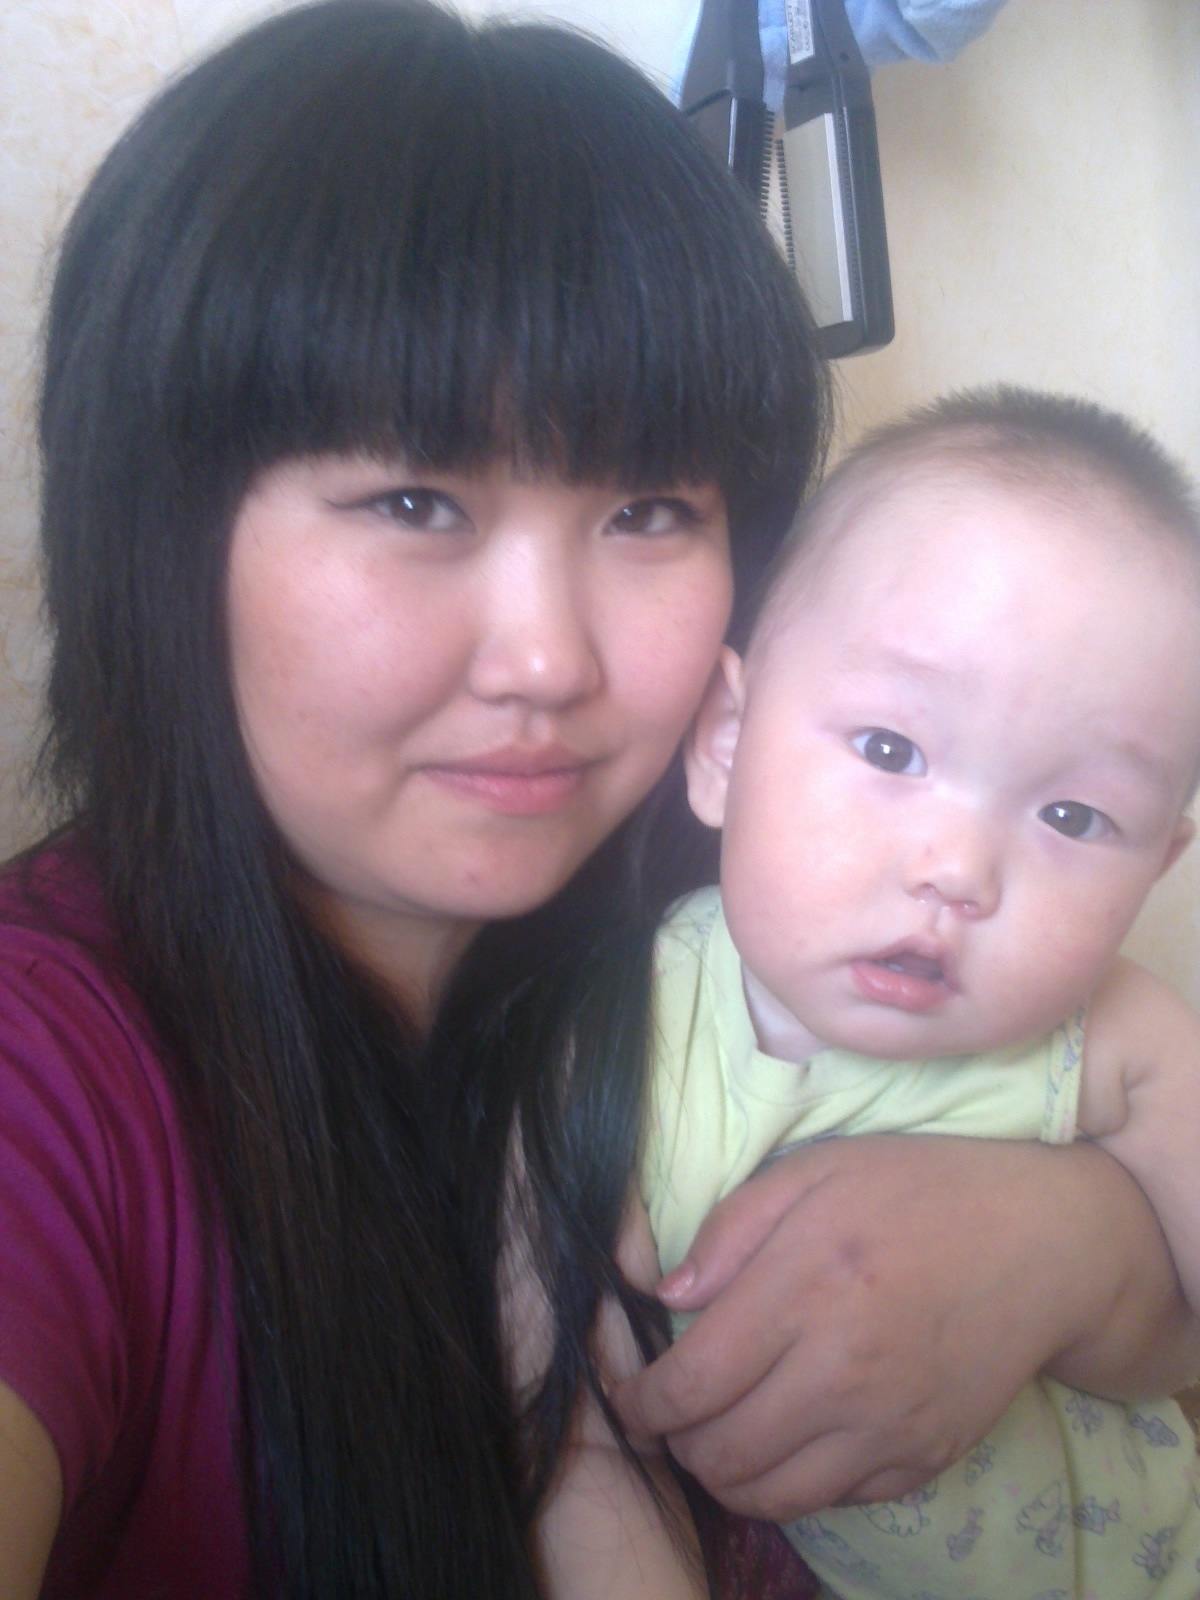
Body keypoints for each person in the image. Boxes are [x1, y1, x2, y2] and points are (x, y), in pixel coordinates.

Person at [1, 1, 1195, 1593]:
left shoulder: (785, 909)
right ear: (163, 519)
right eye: (415, 498)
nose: (550, 660)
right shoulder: (51, 1070)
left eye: (647, 511)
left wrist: (1067, 1257)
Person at [636, 386, 1200, 1598]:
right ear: (726, 738)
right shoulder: (628, 1029)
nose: (959, 870)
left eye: (1073, 816)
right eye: (891, 750)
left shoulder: (1112, 1037)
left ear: (1156, 868)